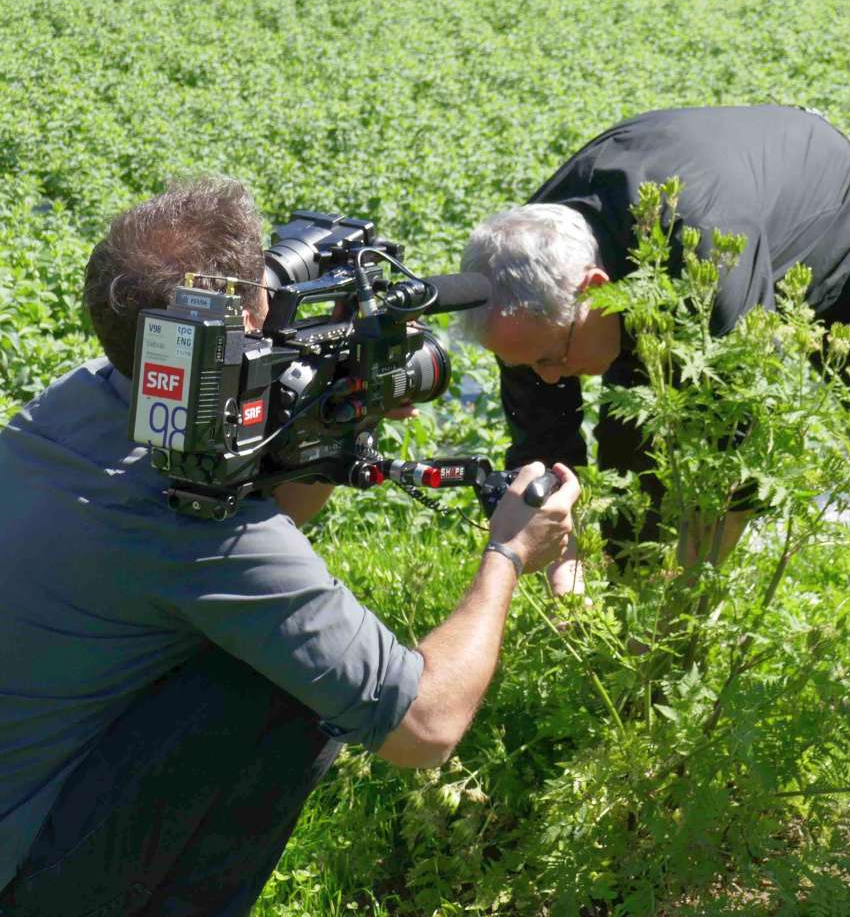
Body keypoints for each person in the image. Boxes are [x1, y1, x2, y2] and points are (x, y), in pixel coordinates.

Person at [0, 178, 579, 917]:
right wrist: (506, 553)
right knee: (286, 688)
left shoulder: (80, 397)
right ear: (246, 314)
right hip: (25, 872)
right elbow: (426, 727)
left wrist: (330, 430)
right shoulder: (194, 522)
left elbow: (269, 526)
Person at [460, 104, 850, 591]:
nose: (547, 377)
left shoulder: (705, 251)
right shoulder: (518, 276)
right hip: (662, 250)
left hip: (829, 210)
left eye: (550, 358)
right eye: (523, 362)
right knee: (633, 448)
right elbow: (542, 437)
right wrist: (568, 562)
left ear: (594, 290)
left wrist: (676, 617)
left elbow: (736, 452)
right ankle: (630, 586)